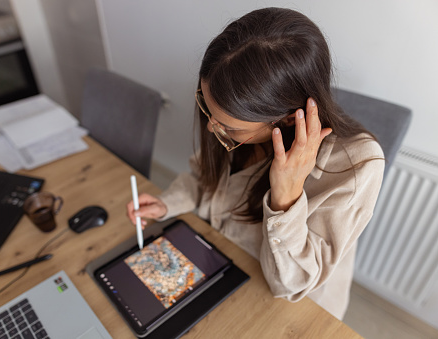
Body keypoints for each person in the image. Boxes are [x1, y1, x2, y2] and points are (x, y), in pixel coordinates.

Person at [126, 7, 384, 320]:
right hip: (220, 263)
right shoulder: (235, 125)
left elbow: (290, 285)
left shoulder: (356, 166)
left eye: (229, 127)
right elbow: (203, 178)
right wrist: (167, 203)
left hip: (291, 311)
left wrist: (286, 195)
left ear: (288, 118)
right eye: (209, 112)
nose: (211, 128)